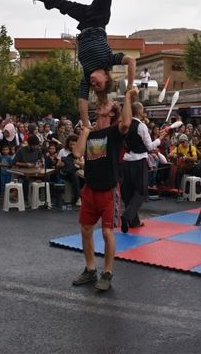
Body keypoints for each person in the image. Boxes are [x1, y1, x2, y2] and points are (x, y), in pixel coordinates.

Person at [20, 0, 136, 128]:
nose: (93, 83)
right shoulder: (109, 59)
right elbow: (132, 62)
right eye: (98, 83)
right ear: (106, 77)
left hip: (84, 24)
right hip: (99, 18)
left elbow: (82, 101)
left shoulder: (85, 75)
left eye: (94, 86)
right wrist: (130, 87)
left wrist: (85, 123)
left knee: (63, 6)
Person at [70, 88, 134, 292]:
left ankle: (107, 273)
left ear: (112, 112)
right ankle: (90, 269)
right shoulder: (90, 132)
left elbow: (126, 123)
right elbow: (77, 152)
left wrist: (126, 97)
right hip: (90, 189)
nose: (100, 104)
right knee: (85, 230)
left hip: (108, 191)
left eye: (105, 104)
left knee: (107, 232)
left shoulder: (115, 131)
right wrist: (86, 131)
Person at [120, 102, 165, 233]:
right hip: (138, 161)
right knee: (141, 191)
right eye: (143, 110)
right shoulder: (141, 125)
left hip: (126, 161)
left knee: (128, 192)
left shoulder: (124, 125)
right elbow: (150, 146)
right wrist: (160, 139)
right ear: (139, 111)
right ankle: (127, 216)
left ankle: (134, 222)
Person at [12, 134, 43, 201]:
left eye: (37, 145)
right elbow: (14, 162)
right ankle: (25, 199)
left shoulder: (38, 150)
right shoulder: (21, 150)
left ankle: (41, 197)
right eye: (34, 145)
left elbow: (40, 160)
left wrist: (39, 163)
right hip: (23, 172)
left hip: (34, 170)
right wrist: (26, 164)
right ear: (29, 144)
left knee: (46, 177)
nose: (35, 147)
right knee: (26, 179)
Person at [57, 134, 83, 207]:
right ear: (68, 143)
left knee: (81, 177)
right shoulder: (63, 151)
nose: (72, 146)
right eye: (71, 144)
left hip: (77, 170)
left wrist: (77, 162)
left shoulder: (79, 152)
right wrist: (61, 164)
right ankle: (77, 197)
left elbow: (83, 165)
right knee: (74, 176)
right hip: (65, 172)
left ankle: (82, 197)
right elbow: (58, 164)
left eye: (74, 144)